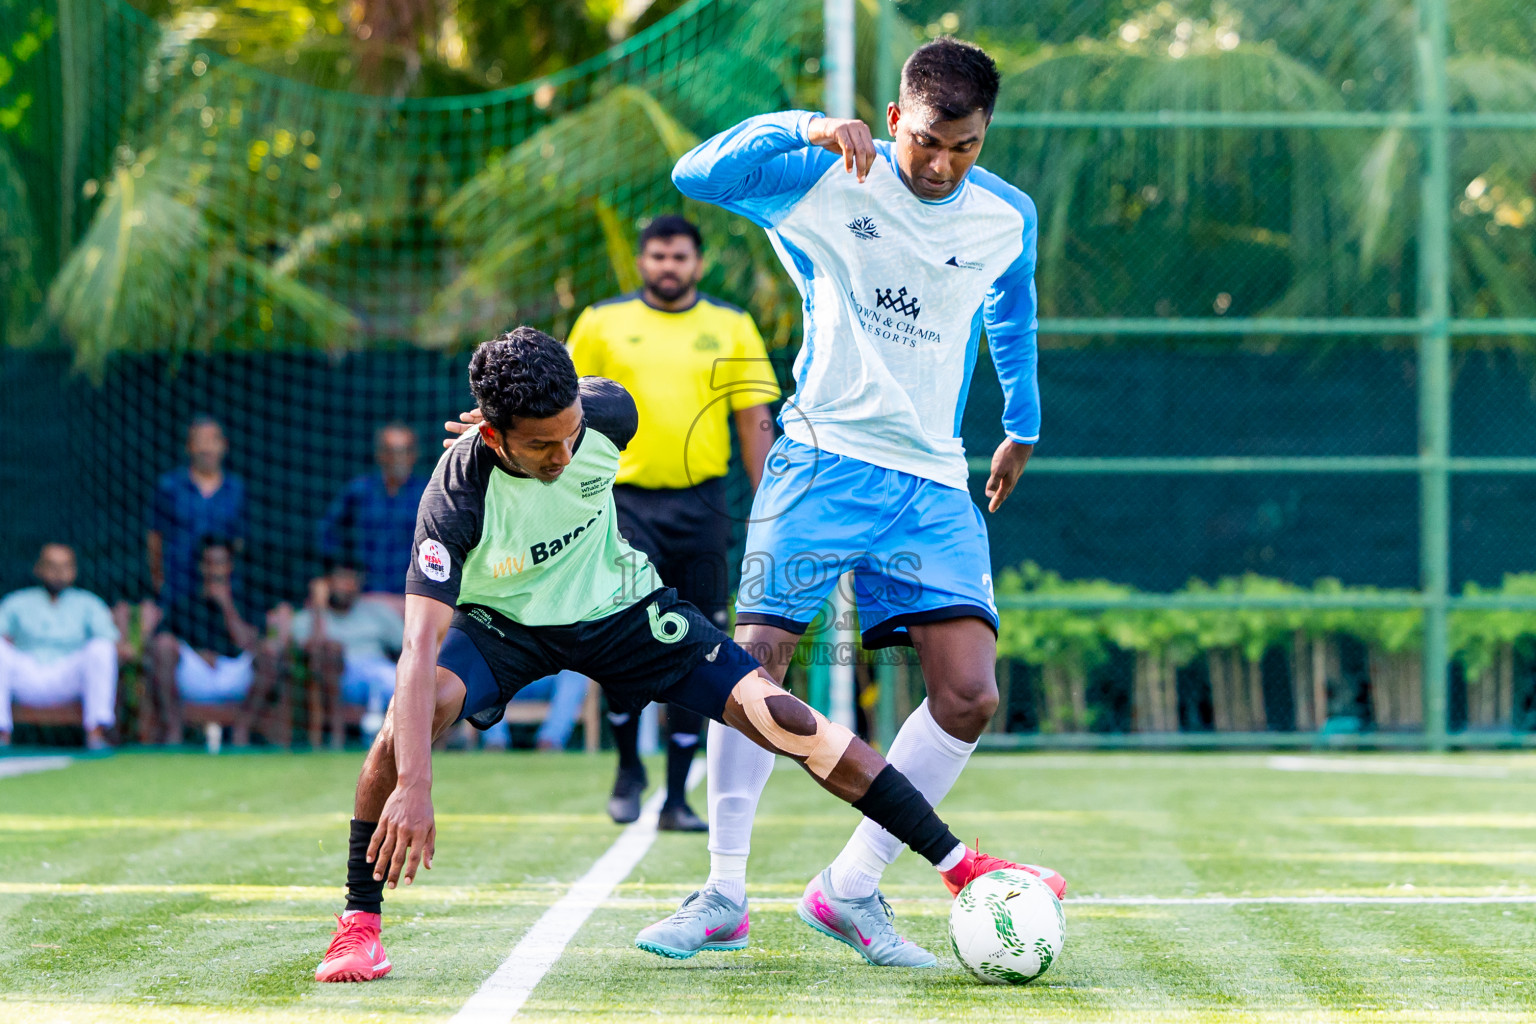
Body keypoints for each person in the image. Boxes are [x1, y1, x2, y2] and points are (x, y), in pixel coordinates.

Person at [314, 329, 1037, 983]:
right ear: (496, 438)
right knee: (407, 725)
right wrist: (415, 784)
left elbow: (589, 412)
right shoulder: (453, 496)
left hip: (621, 609)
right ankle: (358, 926)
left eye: (571, 436)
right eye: (541, 447)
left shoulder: (607, 412)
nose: (564, 457)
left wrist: (560, 432)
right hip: (506, 625)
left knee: (782, 716)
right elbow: (416, 651)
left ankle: (956, 863)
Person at [633, 37, 1064, 965]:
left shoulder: (1006, 216)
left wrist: (1021, 421)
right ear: (897, 117)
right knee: (756, 665)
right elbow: (695, 170)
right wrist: (811, 127)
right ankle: (723, 892)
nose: (945, 166)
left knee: (970, 694)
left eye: (968, 146)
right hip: (823, 459)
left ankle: (851, 889)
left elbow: (1010, 308)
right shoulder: (825, 177)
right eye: (929, 143)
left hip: (933, 479)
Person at [565, 214, 777, 830]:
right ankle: (629, 766)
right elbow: (564, 413)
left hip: (702, 506)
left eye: (680, 257)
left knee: (700, 642)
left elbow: (753, 420)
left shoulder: (731, 325)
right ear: (641, 261)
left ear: (698, 264)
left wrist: (767, 504)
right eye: (657, 256)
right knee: (621, 634)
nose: (668, 267)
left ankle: (679, 797)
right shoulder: (602, 324)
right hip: (622, 502)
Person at [149, 537, 282, 745]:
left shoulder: (246, 600)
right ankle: (173, 731)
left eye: (220, 563)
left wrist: (226, 604)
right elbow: (157, 641)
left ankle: (242, 730)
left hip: (234, 676)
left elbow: (250, 644)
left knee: (269, 653)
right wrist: (199, 655)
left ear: (230, 566)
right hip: (196, 677)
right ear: (201, 566)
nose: (215, 570)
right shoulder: (185, 601)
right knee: (163, 645)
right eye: (209, 563)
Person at [0, 543, 123, 749]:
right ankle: (2, 735)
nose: (58, 573)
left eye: (65, 566)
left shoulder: (89, 603)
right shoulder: (16, 602)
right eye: (51, 566)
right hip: (26, 675)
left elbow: (112, 643)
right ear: (38, 568)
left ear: (74, 571)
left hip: (68, 677)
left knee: (101, 648)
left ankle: (96, 735)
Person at [278, 561, 404, 748]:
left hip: (376, 668)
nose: (347, 586)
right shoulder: (308, 618)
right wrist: (318, 607)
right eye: (341, 579)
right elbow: (308, 652)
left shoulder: (376, 611)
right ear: (326, 583)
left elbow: (407, 645)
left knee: (407, 684)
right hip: (340, 676)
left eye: (352, 580)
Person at [318, 423, 428, 616]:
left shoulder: (428, 493)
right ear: (380, 455)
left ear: (414, 455)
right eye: (392, 451)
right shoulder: (359, 490)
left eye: (405, 451)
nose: (398, 458)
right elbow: (326, 531)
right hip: (363, 601)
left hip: (413, 601)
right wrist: (339, 574)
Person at [147, 416, 247, 602]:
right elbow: (155, 538)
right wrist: (158, 582)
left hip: (225, 592)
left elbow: (240, 540)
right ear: (189, 446)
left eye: (213, 440)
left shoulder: (236, 489)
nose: (207, 447)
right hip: (178, 588)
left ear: (224, 445)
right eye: (200, 440)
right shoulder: (169, 486)